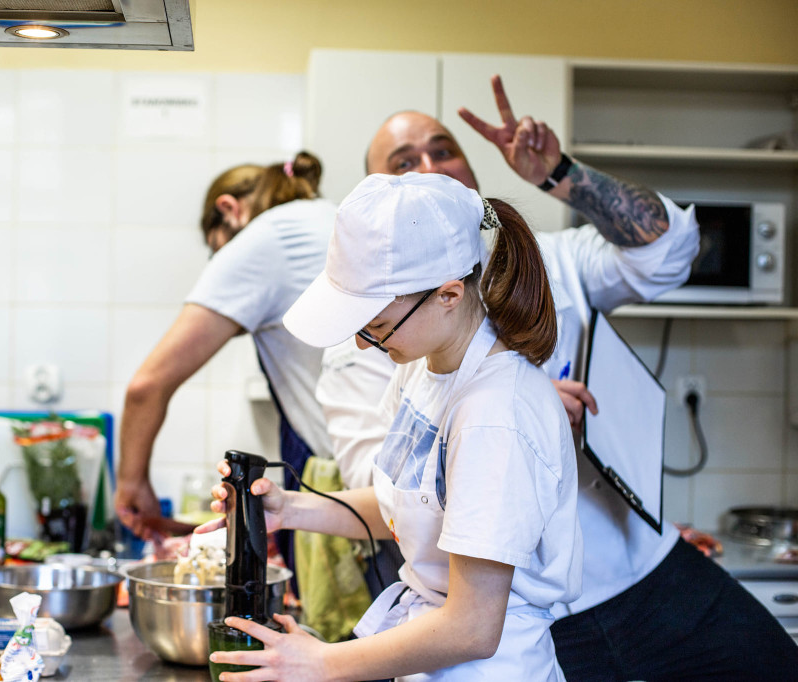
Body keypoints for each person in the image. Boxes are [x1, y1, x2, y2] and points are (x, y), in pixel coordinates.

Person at [316, 74, 798, 680]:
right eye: (403, 162)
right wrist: (508, 410)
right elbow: (394, 491)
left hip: (643, 569)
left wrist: (561, 173)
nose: (429, 167)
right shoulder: (374, 332)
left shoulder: (550, 260)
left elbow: (672, 251)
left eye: (443, 149)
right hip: (531, 616)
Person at [205, 171, 582, 681]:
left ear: (448, 295)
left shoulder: (496, 417)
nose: (363, 344)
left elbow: (473, 627)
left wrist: (321, 663)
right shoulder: (423, 368)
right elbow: (411, 503)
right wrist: (289, 509)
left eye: (377, 326)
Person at [115, 153, 333, 539]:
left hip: (353, 478)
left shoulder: (264, 237)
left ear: (229, 209)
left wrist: (132, 486)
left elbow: (146, 388)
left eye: (217, 251)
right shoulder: (327, 217)